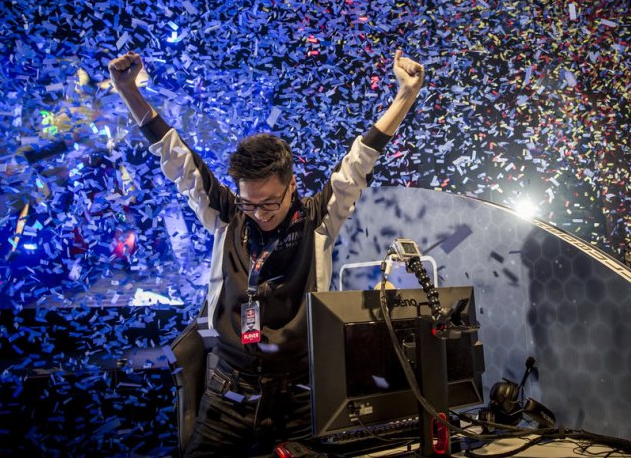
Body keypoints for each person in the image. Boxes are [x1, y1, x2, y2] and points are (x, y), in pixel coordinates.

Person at [107, 49, 424, 457]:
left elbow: (359, 160)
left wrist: (405, 96)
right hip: (229, 392)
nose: (259, 214)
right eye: (250, 204)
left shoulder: (318, 219)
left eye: (270, 203)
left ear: (291, 186)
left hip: (301, 396)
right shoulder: (227, 215)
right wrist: (128, 91)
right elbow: (176, 157)